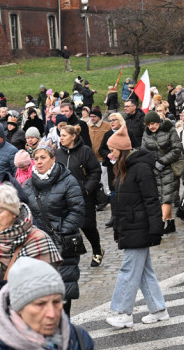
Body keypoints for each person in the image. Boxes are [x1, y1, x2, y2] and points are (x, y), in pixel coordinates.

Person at [103, 125, 168, 328]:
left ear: (121, 151)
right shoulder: (123, 168)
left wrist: (156, 228)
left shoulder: (140, 168)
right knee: (143, 271)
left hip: (139, 226)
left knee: (129, 269)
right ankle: (158, 309)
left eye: (112, 150)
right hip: (132, 225)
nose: (109, 153)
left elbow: (151, 200)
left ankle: (123, 312)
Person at [21, 138, 85, 313]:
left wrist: (60, 231)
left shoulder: (68, 181)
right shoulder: (28, 184)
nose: (39, 162)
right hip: (38, 248)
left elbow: (77, 211)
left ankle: (65, 335)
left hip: (62, 244)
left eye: (43, 158)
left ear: (53, 159)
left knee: (63, 294)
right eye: (36, 158)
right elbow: (24, 212)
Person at [0, 184, 61, 304]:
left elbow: (49, 287)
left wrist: (11, 289)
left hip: (31, 317)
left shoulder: (38, 240)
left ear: (13, 213)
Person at [55, 123, 104, 267]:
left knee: (87, 225)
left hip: (84, 196)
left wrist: (87, 189)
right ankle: (70, 253)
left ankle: (97, 250)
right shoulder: (58, 153)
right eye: (60, 135)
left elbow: (96, 172)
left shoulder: (85, 151)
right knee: (67, 226)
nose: (61, 138)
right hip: (64, 197)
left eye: (64, 135)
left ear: (73, 136)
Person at [141, 110, 184, 235]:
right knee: (161, 197)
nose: (151, 126)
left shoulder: (169, 130)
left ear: (159, 122)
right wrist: (151, 162)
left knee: (166, 197)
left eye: (153, 123)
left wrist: (162, 161)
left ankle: (160, 223)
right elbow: (144, 150)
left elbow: (177, 149)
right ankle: (170, 223)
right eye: (148, 124)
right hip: (154, 169)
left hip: (169, 167)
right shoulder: (146, 134)